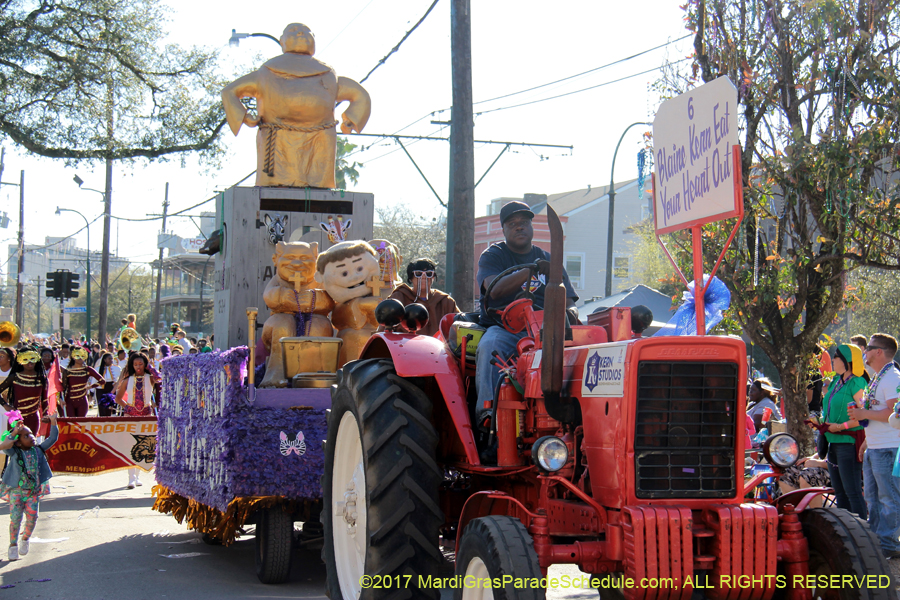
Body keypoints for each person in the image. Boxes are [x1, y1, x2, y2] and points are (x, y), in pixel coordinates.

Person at [475, 201, 578, 430]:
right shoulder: (493, 256)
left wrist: (570, 314)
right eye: (512, 224)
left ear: (531, 227)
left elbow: (570, 302)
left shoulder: (551, 260)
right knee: (490, 344)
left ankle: (576, 417)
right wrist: (529, 271)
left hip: (547, 330)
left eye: (523, 223)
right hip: (506, 328)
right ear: (504, 230)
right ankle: (488, 418)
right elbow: (494, 288)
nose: (519, 227)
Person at [848, 333, 900, 558]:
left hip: (889, 448)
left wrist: (862, 413)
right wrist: (867, 441)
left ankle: (889, 545)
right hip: (876, 447)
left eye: (868, 348)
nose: (864, 352)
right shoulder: (879, 377)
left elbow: (894, 413)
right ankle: (878, 542)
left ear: (879, 351)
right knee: (872, 497)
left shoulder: (893, 378)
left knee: (888, 498)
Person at [0, 413, 58, 561]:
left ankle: (25, 539)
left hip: (32, 492)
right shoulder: (14, 452)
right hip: (16, 493)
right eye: (25, 436)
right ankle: (13, 545)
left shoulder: (38, 450)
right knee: (15, 519)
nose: (31, 437)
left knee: (33, 518)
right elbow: (6, 443)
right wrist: (14, 432)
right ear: (18, 442)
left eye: (31, 434)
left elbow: (52, 438)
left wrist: (53, 422)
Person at [820, 344, 867, 518]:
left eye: (836, 357)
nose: (832, 360)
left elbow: (864, 416)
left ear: (847, 361)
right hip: (833, 443)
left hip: (849, 444)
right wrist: (819, 423)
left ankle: (862, 535)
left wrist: (840, 427)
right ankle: (846, 534)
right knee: (839, 493)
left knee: (852, 492)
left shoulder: (857, 382)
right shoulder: (836, 382)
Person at [115, 353, 158, 488]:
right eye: (135, 364)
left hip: (146, 415)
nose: (138, 367)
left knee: (144, 445)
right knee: (130, 445)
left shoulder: (150, 378)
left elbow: (160, 378)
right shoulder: (128, 380)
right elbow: (118, 398)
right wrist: (128, 408)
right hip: (130, 416)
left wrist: (150, 367)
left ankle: (138, 476)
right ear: (131, 366)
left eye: (141, 364)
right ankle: (131, 478)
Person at [388, 258, 460, 337]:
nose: (424, 277)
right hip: (404, 347)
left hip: (438, 347)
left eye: (429, 273)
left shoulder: (445, 301)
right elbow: (386, 329)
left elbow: (459, 325)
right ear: (411, 278)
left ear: (433, 277)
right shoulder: (399, 297)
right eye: (418, 273)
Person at [0, 351, 48, 434]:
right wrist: (5, 405)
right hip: (16, 417)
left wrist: (46, 414)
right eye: (25, 359)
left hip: (33, 418)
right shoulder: (14, 377)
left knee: (31, 443)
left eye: (32, 358)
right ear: (20, 361)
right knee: (14, 444)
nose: (29, 362)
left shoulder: (42, 378)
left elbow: (44, 399)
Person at [61, 347, 103, 418]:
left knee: (81, 423)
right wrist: (60, 399)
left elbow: (102, 381)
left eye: (82, 356)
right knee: (71, 423)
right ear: (73, 357)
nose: (80, 358)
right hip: (69, 401)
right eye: (77, 355)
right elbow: (63, 387)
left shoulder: (87, 369)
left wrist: (90, 387)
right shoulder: (67, 371)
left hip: (82, 401)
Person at [95, 352, 120, 417]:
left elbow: (119, 379)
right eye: (109, 359)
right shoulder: (98, 369)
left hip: (110, 388)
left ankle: (109, 421)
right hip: (101, 389)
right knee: (102, 407)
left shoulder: (116, 368)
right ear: (104, 360)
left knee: (109, 407)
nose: (111, 360)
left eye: (112, 359)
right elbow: (94, 380)